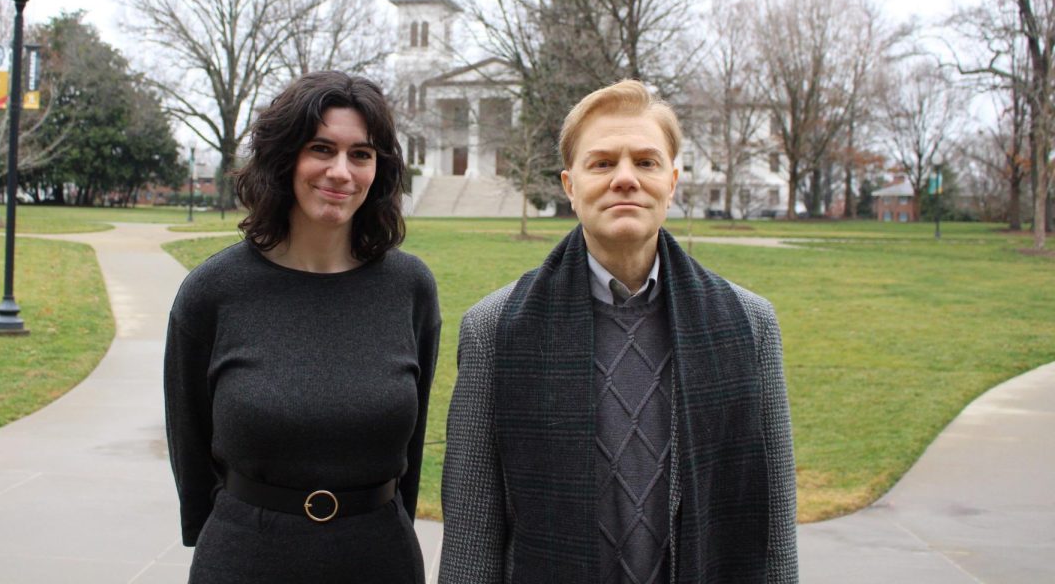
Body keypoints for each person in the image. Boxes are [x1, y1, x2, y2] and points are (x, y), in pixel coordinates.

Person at [439, 80, 797, 584]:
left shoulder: (749, 325)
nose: (624, 178)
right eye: (603, 163)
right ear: (569, 184)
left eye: (646, 162)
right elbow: (472, 538)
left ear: (672, 181)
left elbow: (776, 525)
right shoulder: (494, 329)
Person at [164, 70, 441, 584]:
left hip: (380, 558)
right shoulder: (213, 291)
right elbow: (189, 444)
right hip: (246, 559)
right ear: (285, 157)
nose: (341, 171)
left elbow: (413, 446)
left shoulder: (410, 288)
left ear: (378, 170)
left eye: (361, 154)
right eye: (321, 148)